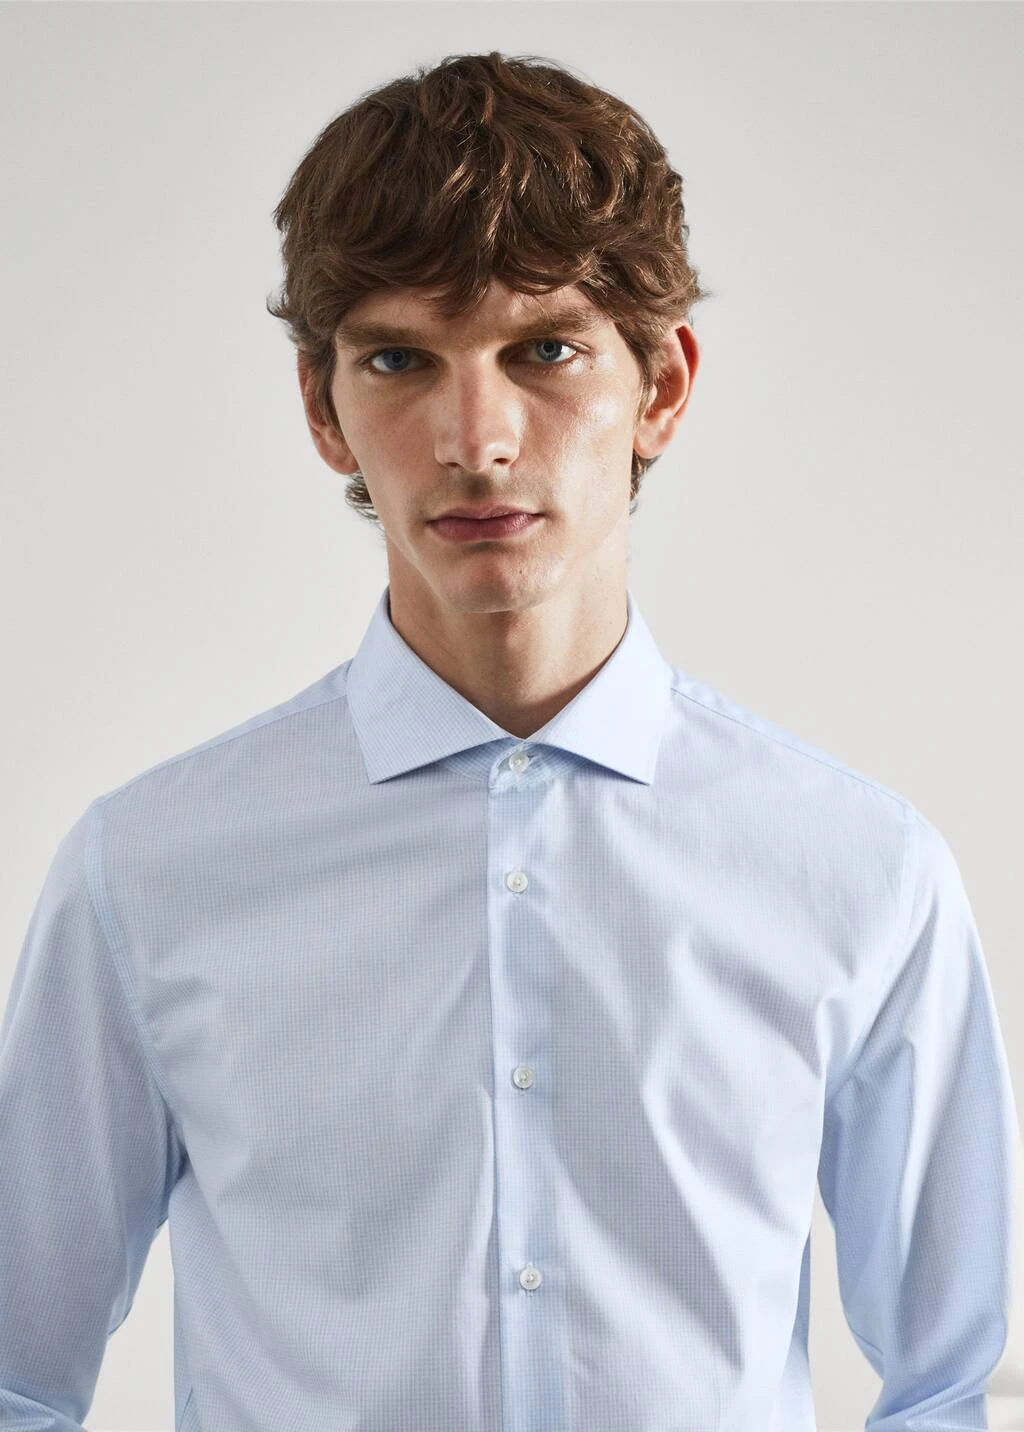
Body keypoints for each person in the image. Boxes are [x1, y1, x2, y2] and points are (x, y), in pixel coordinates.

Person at [0, 48, 1018, 1432]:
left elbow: (948, 1391)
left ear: (663, 387)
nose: (475, 439)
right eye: (398, 359)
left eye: (545, 350)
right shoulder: (147, 872)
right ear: (322, 410)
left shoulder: (861, 871)